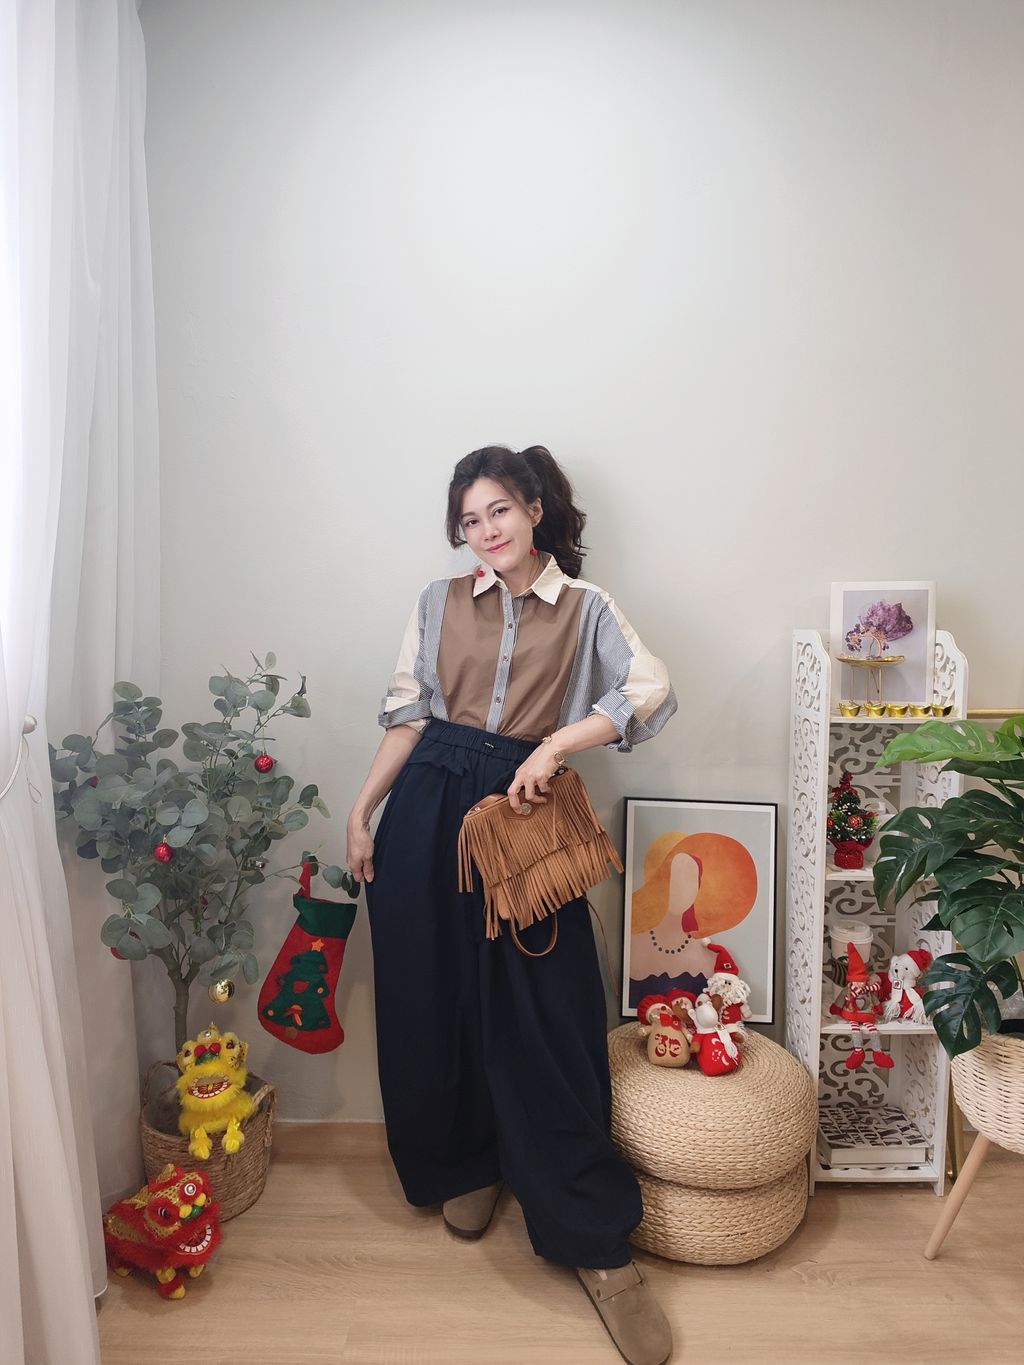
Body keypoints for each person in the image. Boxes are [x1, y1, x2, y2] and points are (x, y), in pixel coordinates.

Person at [347, 445, 677, 1365]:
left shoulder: (586, 607)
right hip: (427, 807)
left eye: (497, 510)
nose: (484, 531)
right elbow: (410, 715)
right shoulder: (437, 601)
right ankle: (466, 1160)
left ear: (533, 509)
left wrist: (557, 744)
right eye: (468, 519)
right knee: (431, 994)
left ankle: (593, 1237)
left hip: (523, 813)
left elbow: (649, 689)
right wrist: (363, 811)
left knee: (548, 1016)